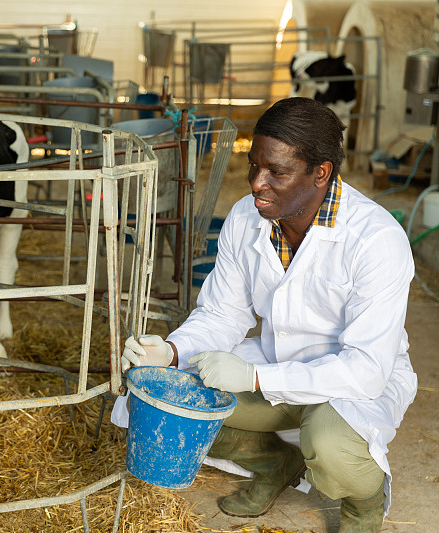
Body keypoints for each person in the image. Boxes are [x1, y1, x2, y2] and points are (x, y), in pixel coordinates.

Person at [121, 97, 417, 533]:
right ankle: (276, 464)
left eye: (276, 172)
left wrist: (258, 379)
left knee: (331, 444)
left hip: (354, 384)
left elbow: (367, 369)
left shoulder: (377, 240)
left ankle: (364, 506)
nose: (257, 183)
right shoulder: (246, 218)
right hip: (279, 360)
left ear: (321, 173)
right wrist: (170, 351)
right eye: (254, 165)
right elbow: (223, 315)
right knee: (176, 398)